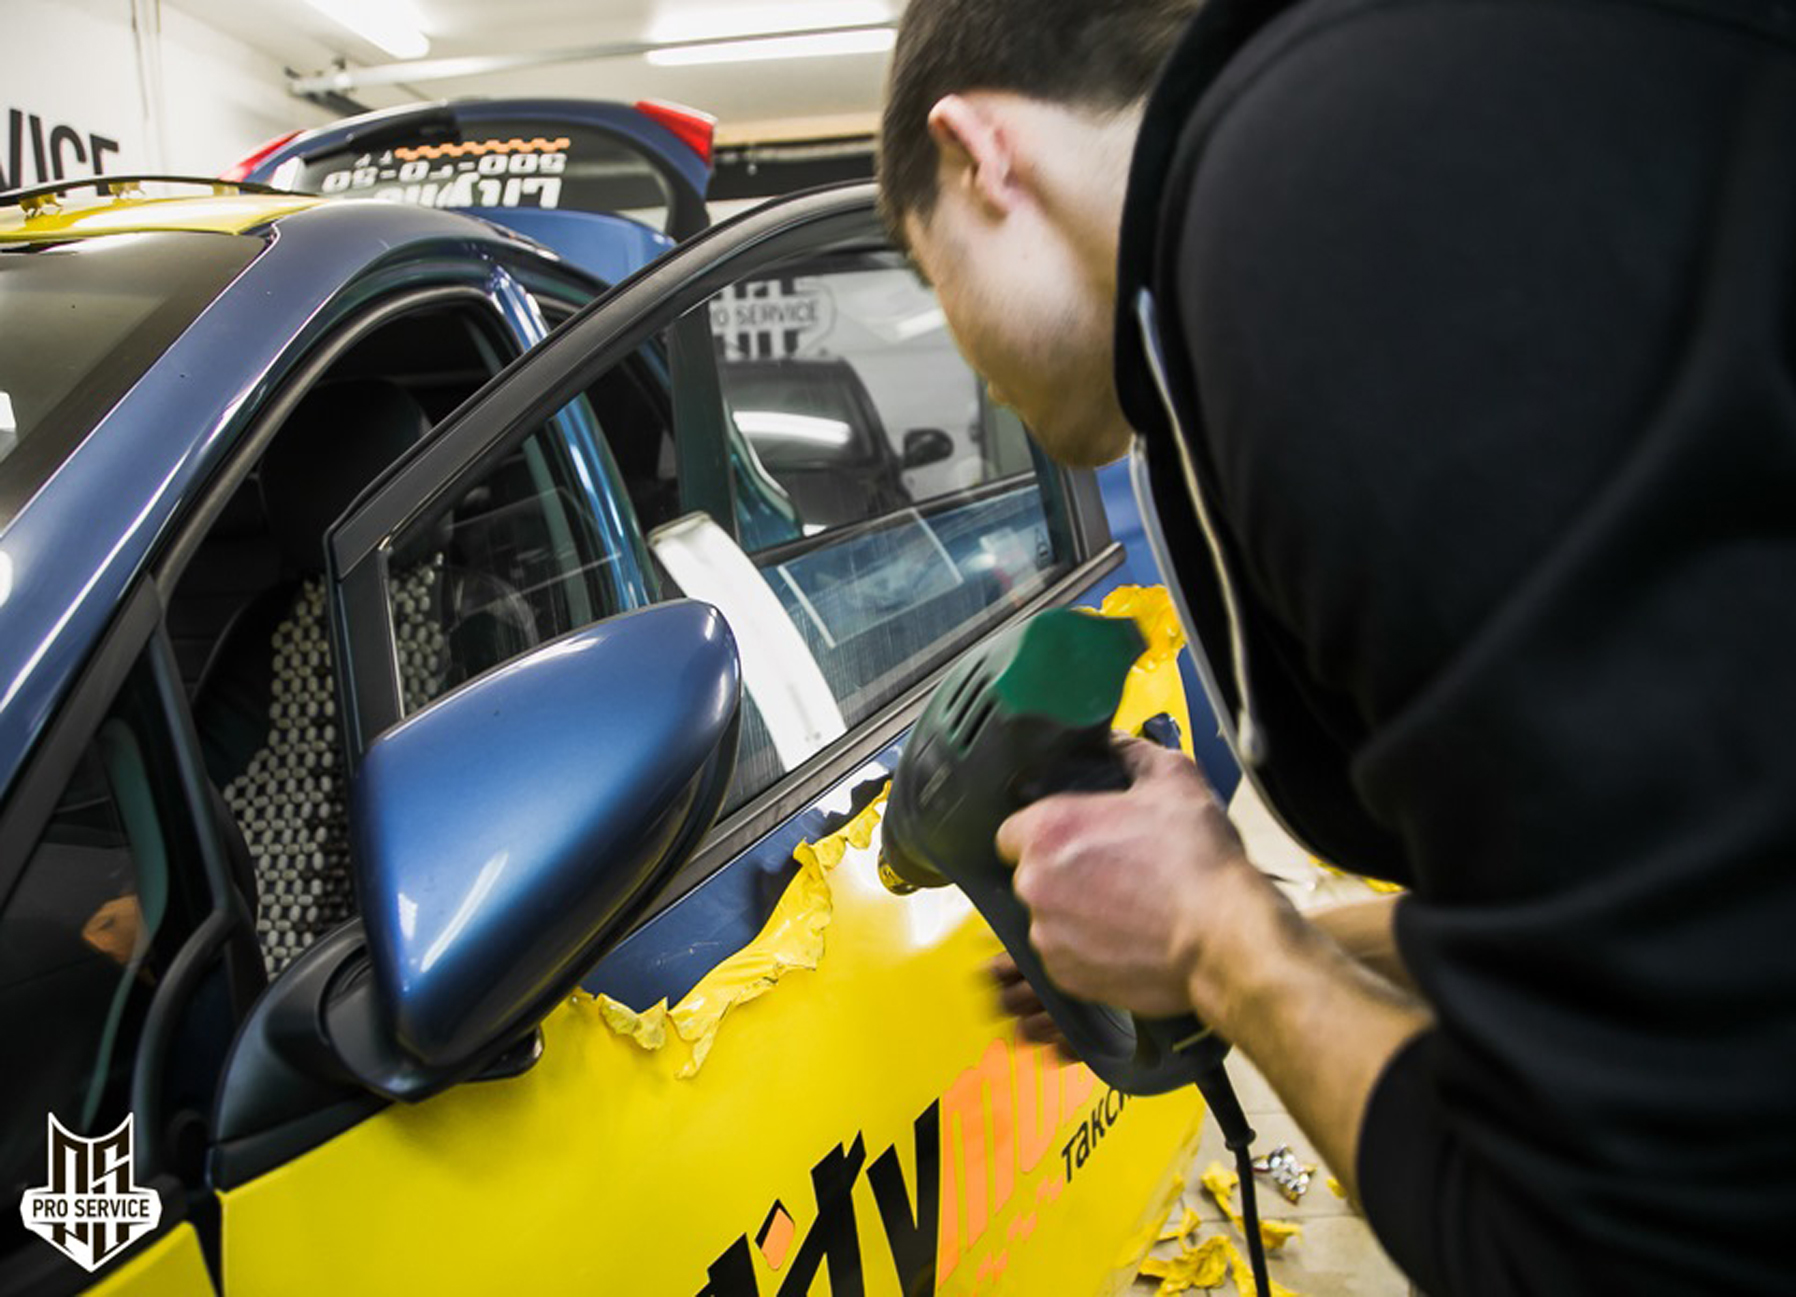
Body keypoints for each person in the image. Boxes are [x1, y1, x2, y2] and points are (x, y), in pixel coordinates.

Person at [877, 0, 1796, 1292]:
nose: (970, 359)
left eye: (936, 282)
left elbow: (1630, 1241)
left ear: (979, 155)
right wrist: (1288, 931)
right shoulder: (1424, 102)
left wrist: (1221, 941)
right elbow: (1672, 876)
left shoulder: (1304, 219)